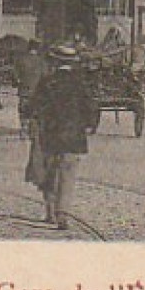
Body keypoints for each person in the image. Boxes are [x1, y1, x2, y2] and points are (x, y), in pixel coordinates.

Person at [32, 46, 96, 230]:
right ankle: (63, 213)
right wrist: (89, 125)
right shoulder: (80, 83)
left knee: (50, 171)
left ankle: (50, 211)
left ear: (55, 62)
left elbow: (35, 105)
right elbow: (91, 107)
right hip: (74, 137)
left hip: (51, 135)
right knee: (68, 175)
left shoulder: (47, 82)